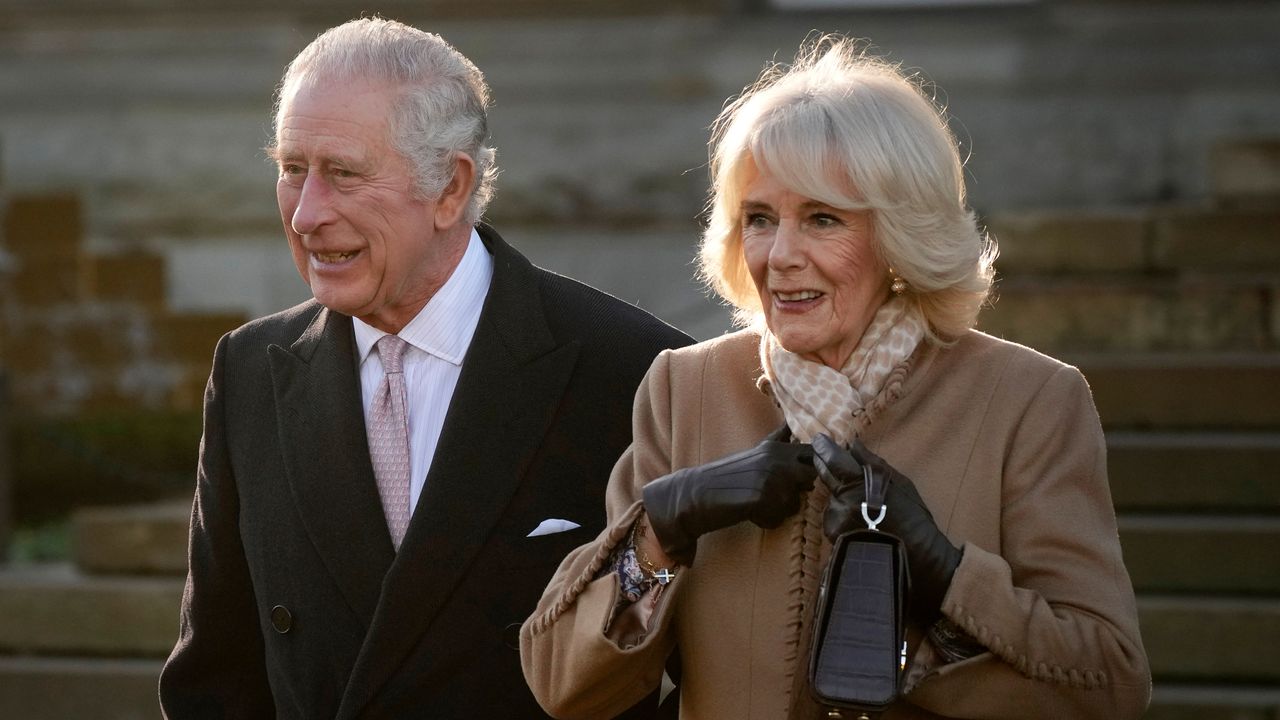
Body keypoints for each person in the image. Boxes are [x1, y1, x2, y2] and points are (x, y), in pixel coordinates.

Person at [521, 36, 1151, 719]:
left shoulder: (1028, 400)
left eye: (822, 219)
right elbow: (564, 688)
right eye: (759, 220)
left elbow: (1109, 687)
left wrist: (944, 571)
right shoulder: (686, 389)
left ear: (898, 236)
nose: (781, 255)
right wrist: (664, 527)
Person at [158, 17, 692, 719]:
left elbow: (705, 676)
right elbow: (214, 679)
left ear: (450, 187)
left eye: (343, 173)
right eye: (292, 169)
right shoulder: (251, 372)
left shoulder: (638, 373)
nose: (306, 214)